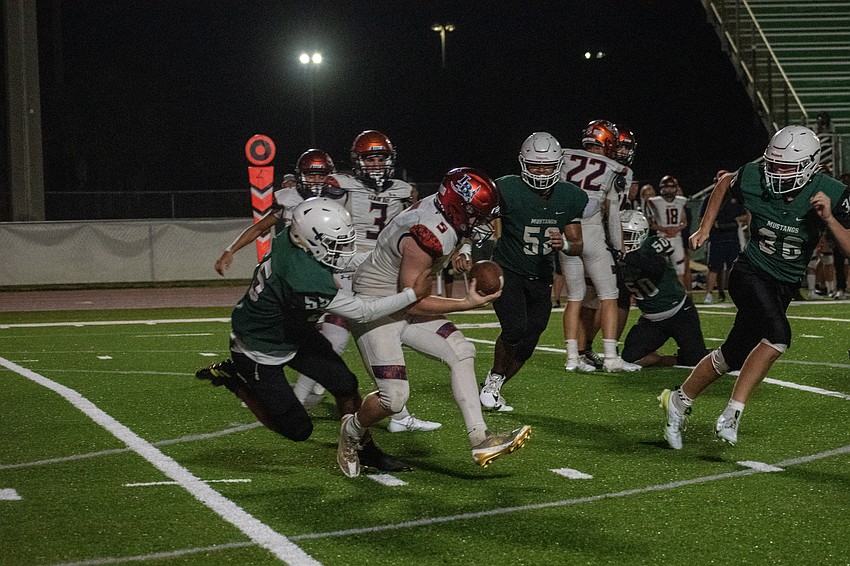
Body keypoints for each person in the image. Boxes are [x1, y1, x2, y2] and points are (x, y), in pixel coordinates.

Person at [195, 198, 434, 474]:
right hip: (259, 348)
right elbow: (363, 311)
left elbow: (343, 259)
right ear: (308, 240)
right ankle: (233, 380)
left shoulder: (293, 238)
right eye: (335, 243)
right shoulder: (302, 279)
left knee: (346, 384)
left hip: (294, 331)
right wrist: (412, 295)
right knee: (298, 430)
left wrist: (392, 253)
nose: (341, 248)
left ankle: (364, 450)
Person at [660, 125, 850, 449]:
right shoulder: (754, 175)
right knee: (778, 337)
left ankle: (678, 400)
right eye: (772, 164)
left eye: (785, 167)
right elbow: (722, 184)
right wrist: (704, 227)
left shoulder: (830, 191)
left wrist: (829, 219)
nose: (775, 172)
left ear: (809, 165)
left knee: (730, 355)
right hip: (749, 272)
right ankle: (732, 413)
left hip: (784, 284)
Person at [340, 168, 531, 475]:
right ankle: (351, 432)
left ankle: (480, 439)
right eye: (478, 216)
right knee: (394, 397)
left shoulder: (444, 211)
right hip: (377, 305)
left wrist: (464, 248)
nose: (482, 223)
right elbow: (413, 299)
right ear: (459, 209)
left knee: (462, 351)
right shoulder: (426, 233)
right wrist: (466, 303)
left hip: (402, 298)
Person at [292, 130, 442, 433]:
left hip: (380, 271)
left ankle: (396, 413)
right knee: (333, 338)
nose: (375, 164)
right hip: (348, 268)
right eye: (369, 158)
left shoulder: (403, 190)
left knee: (374, 336)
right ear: (357, 161)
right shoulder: (341, 186)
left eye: (380, 157)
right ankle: (296, 400)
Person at [466, 132, 586, 412]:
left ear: (558, 164)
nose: (541, 171)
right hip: (509, 269)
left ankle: (493, 388)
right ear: (523, 163)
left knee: (532, 337)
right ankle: (494, 381)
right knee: (515, 328)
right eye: (535, 165)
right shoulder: (507, 189)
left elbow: (577, 244)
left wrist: (565, 243)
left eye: (546, 165)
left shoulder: (570, 196)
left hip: (541, 275)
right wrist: (468, 250)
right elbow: (482, 223)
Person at [560, 119, 629, 372]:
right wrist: (620, 246)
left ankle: (572, 359)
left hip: (567, 233)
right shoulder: (615, 168)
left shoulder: (565, 157)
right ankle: (610, 357)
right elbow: (612, 214)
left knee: (575, 297)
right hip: (592, 232)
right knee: (609, 296)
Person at [214, 148, 341, 276]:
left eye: (321, 176)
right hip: (294, 264)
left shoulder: (341, 199)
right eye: (311, 176)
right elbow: (258, 229)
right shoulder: (288, 199)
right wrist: (230, 250)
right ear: (300, 176)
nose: (316, 181)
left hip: (328, 265)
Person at [617, 210, 708, 367]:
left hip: (679, 313)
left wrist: (628, 258)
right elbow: (621, 301)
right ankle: (678, 360)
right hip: (652, 321)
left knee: (696, 361)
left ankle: (710, 354)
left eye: (625, 236)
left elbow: (656, 267)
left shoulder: (651, 245)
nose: (621, 241)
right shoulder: (617, 257)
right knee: (630, 358)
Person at [700, 170, 749, 304]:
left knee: (734, 268)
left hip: (733, 236)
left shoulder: (737, 198)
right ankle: (709, 294)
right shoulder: (710, 198)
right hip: (716, 237)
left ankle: (736, 294)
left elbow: (746, 214)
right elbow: (702, 218)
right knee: (714, 267)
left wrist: (736, 220)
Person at [646, 176, 689, 286]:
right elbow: (650, 224)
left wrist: (676, 229)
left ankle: (681, 296)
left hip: (677, 237)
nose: (669, 190)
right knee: (659, 270)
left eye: (671, 187)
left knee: (680, 270)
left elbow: (684, 221)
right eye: (667, 187)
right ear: (661, 188)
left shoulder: (681, 201)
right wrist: (665, 229)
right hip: (661, 237)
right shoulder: (654, 202)